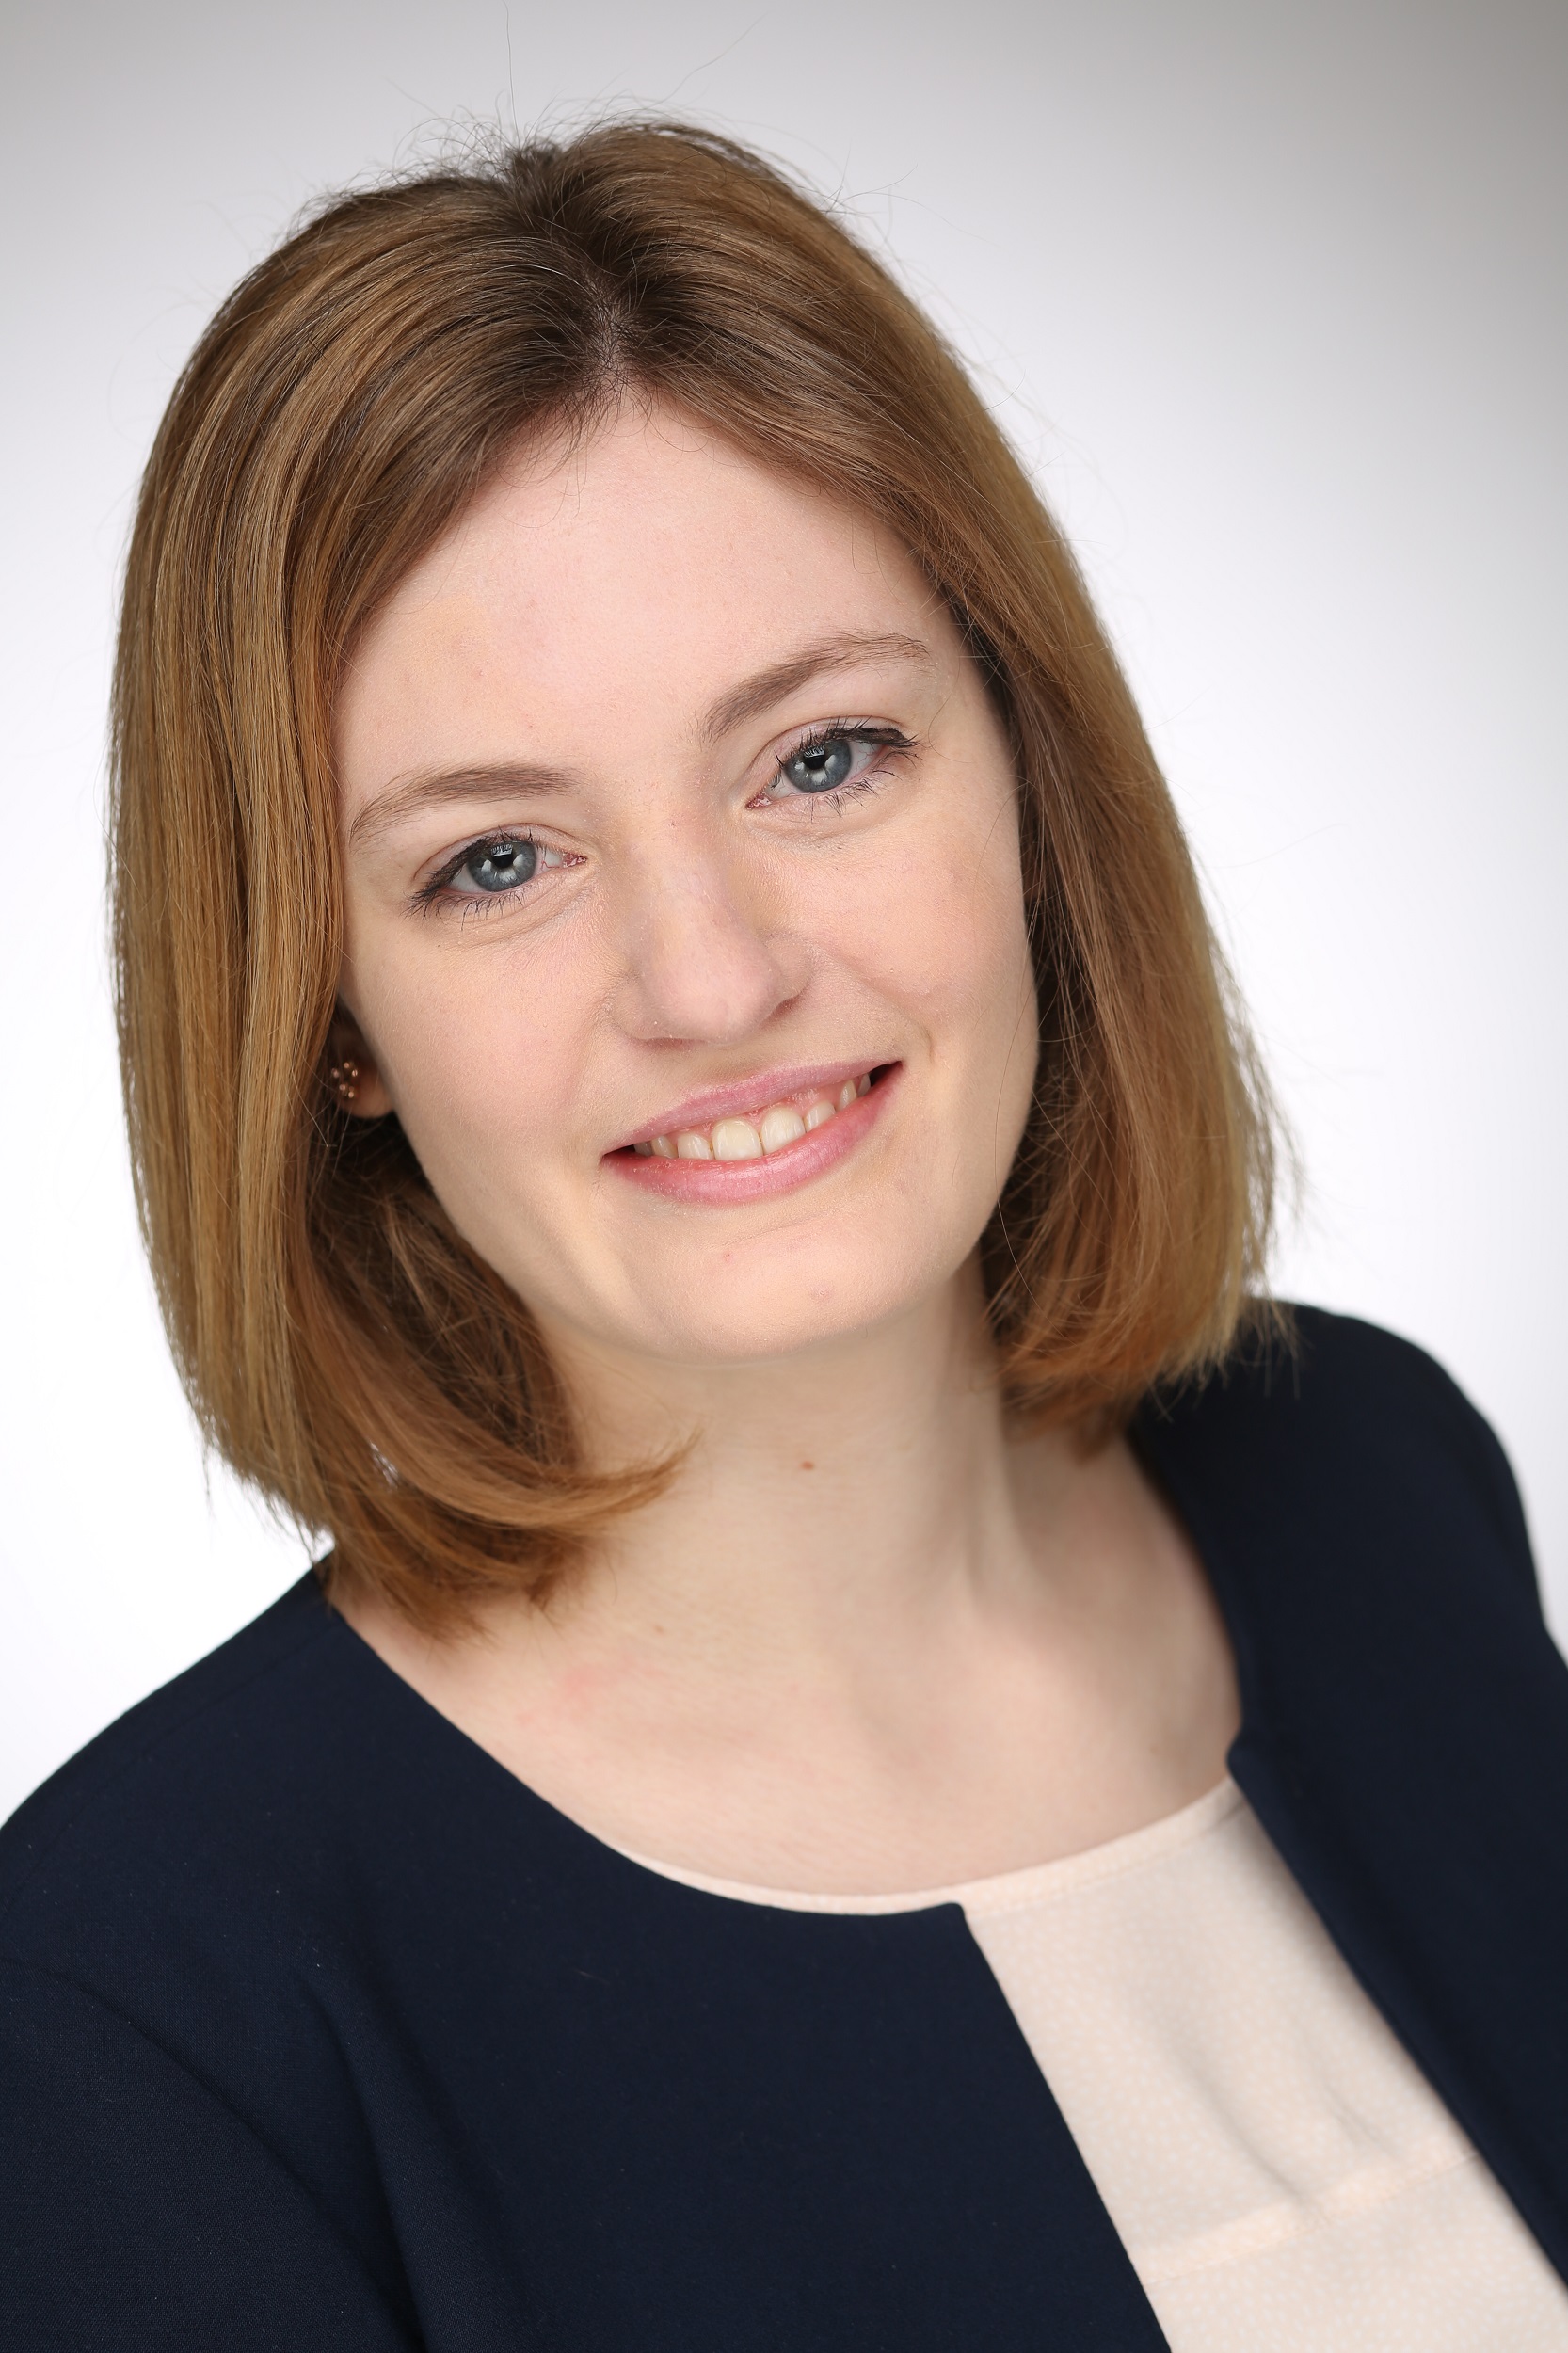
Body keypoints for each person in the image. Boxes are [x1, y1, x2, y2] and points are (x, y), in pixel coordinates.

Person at [3, 120, 1566, 2352]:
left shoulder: (1371, 1471)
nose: (713, 977)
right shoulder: (131, 2016)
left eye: (819, 758)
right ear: (325, 1020)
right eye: (492, 861)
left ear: (1022, 778)